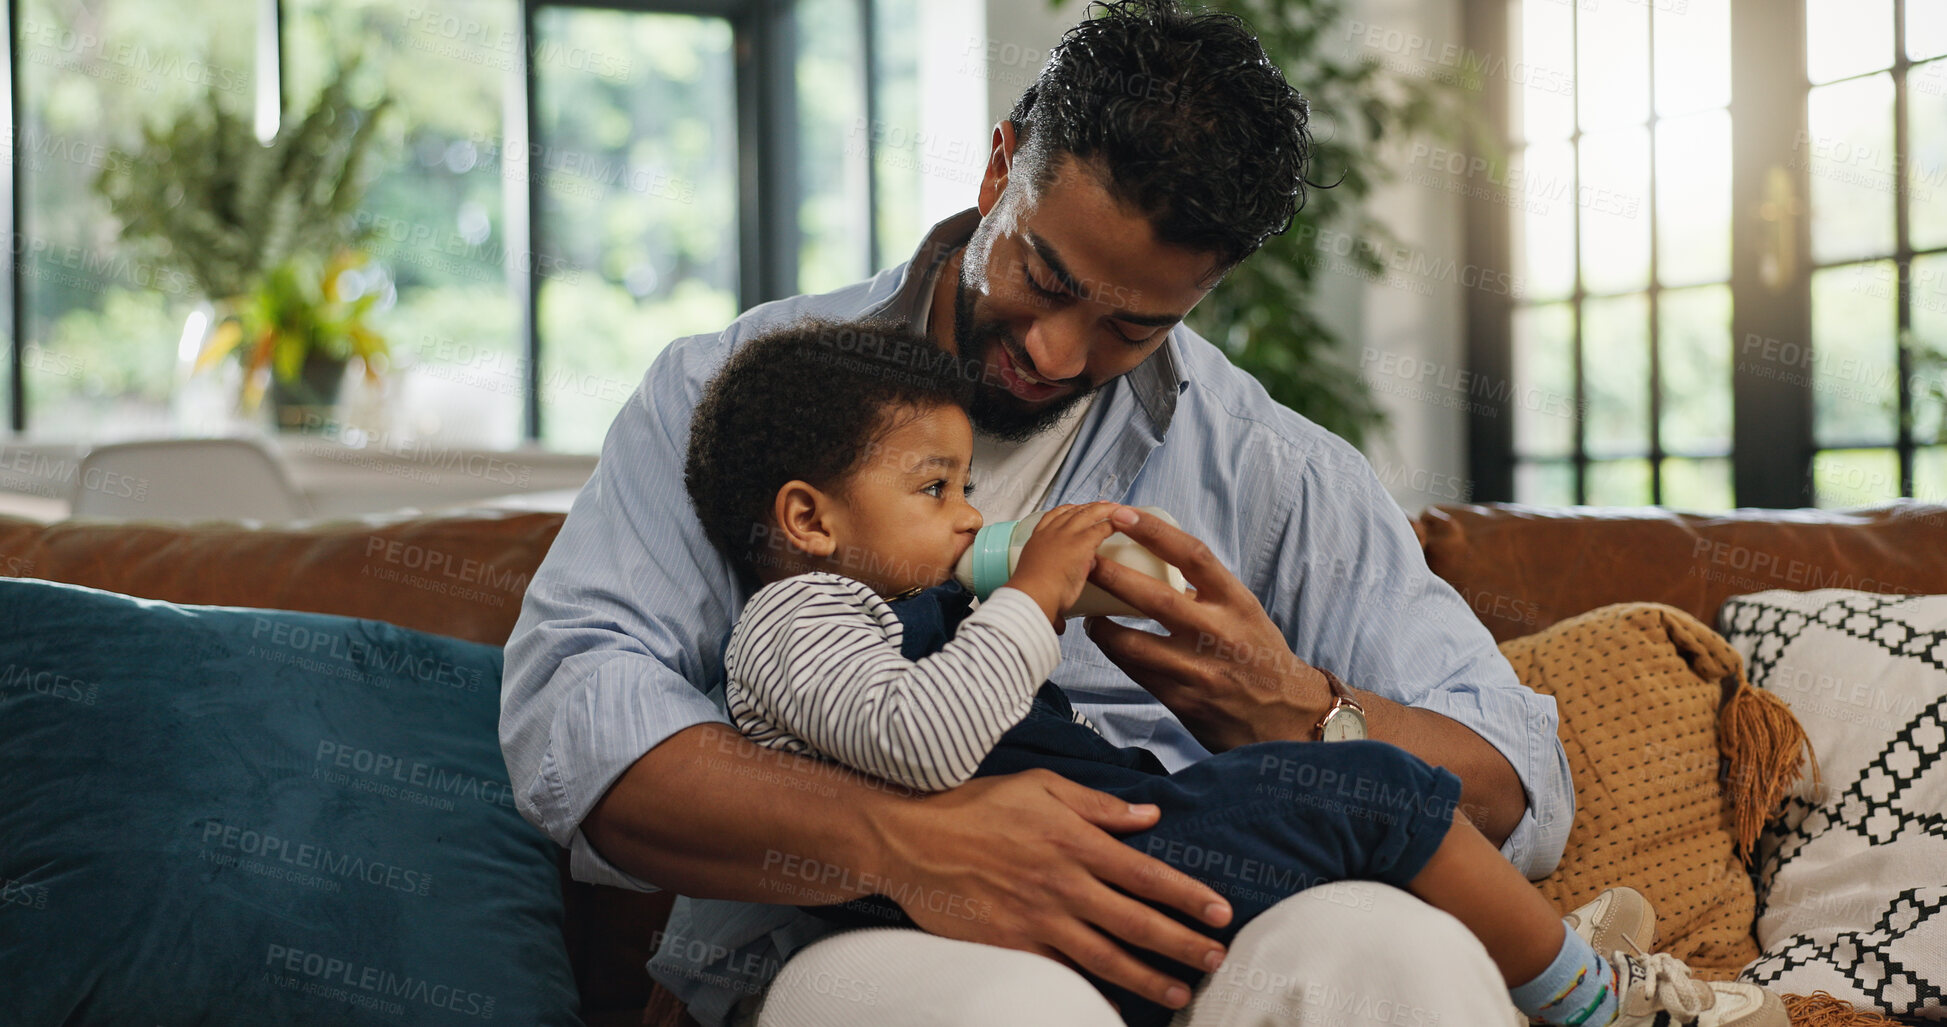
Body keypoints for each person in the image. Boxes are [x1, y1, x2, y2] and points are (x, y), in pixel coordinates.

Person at [505, 1, 1580, 1024]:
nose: (1057, 353)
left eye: (1133, 326)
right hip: (846, 936)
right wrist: (907, 840)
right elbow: (575, 721)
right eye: (1046, 274)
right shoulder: (729, 395)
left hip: (1201, 918)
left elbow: (1521, 783)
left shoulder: (1277, 471)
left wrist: (1304, 712)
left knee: (1402, 956)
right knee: (1026, 1009)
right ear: (998, 166)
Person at [674, 316, 1788, 1027]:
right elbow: (923, 738)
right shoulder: (795, 619)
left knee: (1372, 794)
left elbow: (1522, 775)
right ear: (808, 520)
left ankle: (1558, 964)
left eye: (970, 486)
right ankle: (1591, 995)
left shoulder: (1274, 464)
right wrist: (1029, 600)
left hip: (1122, 854)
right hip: (1036, 891)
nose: (972, 516)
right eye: (937, 493)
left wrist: (1278, 688)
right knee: (1372, 795)